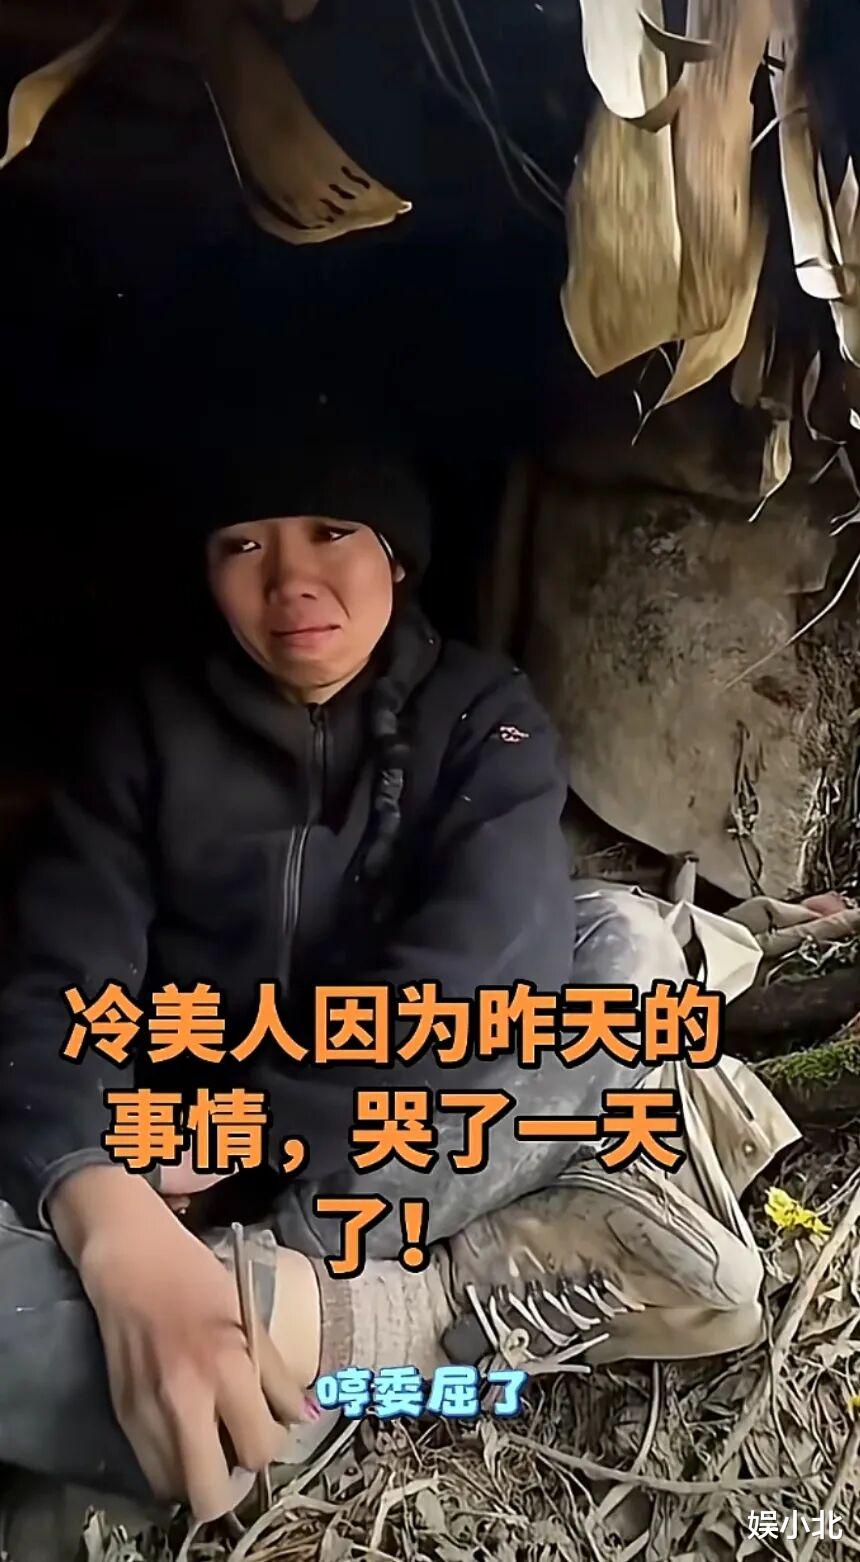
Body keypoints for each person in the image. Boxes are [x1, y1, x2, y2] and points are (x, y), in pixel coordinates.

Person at [0, 414, 799, 1536]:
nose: (289, 579)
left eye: (331, 531)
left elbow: (476, 982)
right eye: (243, 544)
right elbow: (57, 979)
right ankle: (357, 1324)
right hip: (167, 1152)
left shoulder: (481, 715)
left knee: (621, 960)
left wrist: (257, 1130)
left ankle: (268, 1318)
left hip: (373, 1135)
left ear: (397, 554)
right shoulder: (144, 730)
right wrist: (106, 1210)